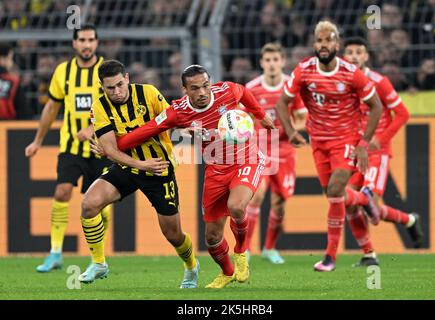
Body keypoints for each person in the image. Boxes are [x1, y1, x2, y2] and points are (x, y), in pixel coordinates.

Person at [113, 65, 275, 288]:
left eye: (205, 86)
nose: (202, 92)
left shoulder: (226, 91)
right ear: (185, 90)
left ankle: (241, 252)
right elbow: (149, 129)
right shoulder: (178, 112)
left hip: (246, 159)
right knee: (211, 238)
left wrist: (262, 115)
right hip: (216, 170)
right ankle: (227, 272)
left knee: (237, 206)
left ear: (211, 83)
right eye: (195, 88)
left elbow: (244, 92)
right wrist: (115, 146)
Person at [276, 21, 383, 272]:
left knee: (335, 190)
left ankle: (330, 257)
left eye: (328, 40)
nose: (323, 45)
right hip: (318, 141)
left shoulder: (350, 73)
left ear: (337, 44)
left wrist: (363, 144)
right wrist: (291, 132)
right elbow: (282, 103)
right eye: (319, 40)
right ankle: (363, 199)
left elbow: (377, 105)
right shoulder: (304, 70)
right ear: (315, 43)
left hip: (346, 139)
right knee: (336, 197)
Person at [82, 59, 199, 288]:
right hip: (129, 167)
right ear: (101, 87)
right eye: (110, 88)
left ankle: (191, 266)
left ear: (127, 79)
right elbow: (110, 150)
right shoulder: (99, 107)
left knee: (173, 234)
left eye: (119, 85)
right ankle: (99, 263)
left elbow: (170, 120)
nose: (116, 92)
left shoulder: (148, 93)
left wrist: (188, 129)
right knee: (89, 204)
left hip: (159, 169)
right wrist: (140, 164)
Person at [24, 24, 112, 272]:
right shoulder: (63, 71)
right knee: (62, 191)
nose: (86, 44)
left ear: (97, 42)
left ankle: (98, 257)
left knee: (99, 204)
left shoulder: (106, 71)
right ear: (74, 43)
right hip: (71, 147)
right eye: (82, 39)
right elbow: (51, 107)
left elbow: (116, 108)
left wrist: (93, 129)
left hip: (100, 147)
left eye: (91, 39)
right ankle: (55, 253)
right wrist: (37, 141)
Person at [343, 37, 423, 266]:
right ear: (344, 57)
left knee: (369, 201)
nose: (354, 56)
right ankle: (370, 253)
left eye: (359, 52)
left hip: (377, 153)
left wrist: (381, 139)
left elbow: (403, 113)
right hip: (356, 153)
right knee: (348, 200)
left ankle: (407, 220)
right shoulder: (342, 84)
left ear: (366, 56)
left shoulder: (379, 82)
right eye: (350, 52)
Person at [244, 43, 307, 264]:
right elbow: (242, 119)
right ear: (262, 63)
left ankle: (269, 248)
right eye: (267, 60)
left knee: (280, 202)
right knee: (256, 195)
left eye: (275, 60)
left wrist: (290, 131)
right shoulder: (251, 88)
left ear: (282, 61)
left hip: (285, 150)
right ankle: (246, 249)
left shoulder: (291, 87)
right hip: (259, 149)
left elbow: (301, 116)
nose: (271, 64)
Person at [0, 42, 29, 119]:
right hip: (6, 127)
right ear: (2, 59)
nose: (11, 63)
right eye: (10, 58)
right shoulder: (14, 82)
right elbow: (23, 112)